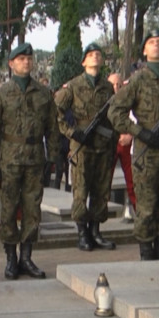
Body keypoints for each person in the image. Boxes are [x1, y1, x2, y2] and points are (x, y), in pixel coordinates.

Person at [0, 43, 59, 280]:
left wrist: (53, 158)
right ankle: (10, 258)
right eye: (21, 59)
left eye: (29, 58)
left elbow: (53, 129)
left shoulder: (44, 93)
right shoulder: (2, 94)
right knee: (8, 210)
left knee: (32, 209)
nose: (26, 62)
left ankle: (26, 257)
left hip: (35, 158)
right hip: (9, 160)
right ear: (11, 63)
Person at [55, 43, 117, 252]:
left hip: (102, 145)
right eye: (90, 55)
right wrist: (73, 132)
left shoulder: (107, 87)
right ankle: (82, 232)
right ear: (84, 62)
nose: (95, 58)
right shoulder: (73, 86)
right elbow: (56, 112)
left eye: (98, 55)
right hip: (81, 145)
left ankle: (96, 231)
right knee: (81, 190)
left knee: (101, 190)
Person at [108, 29, 159, 260]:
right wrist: (140, 132)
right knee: (146, 207)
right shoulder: (139, 79)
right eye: (152, 42)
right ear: (144, 50)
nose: (157, 45)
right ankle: (146, 254)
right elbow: (115, 111)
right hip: (147, 153)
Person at [107, 73, 137, 217]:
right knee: (104, 182)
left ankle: (139, 214)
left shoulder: (129, 99)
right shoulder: (103, 100)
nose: (116, 87)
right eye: (113, 84)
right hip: (108, 144)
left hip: (126, 143)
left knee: (133, 182)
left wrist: (130, 135)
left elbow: (136, 119)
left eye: (119, 84)